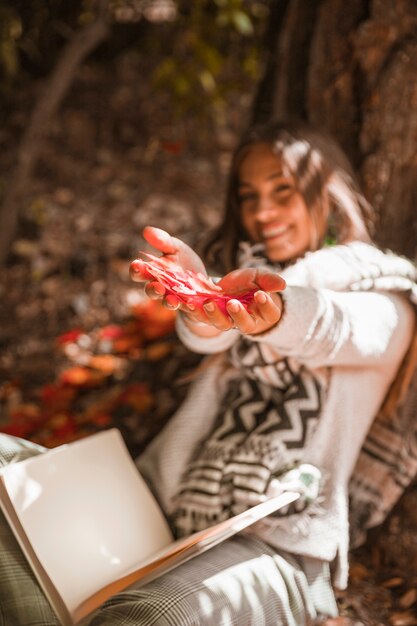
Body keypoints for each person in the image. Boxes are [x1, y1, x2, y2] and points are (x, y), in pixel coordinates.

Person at [0, 120, 416, 626]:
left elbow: (332, 326)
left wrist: (275, 311)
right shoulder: (238, 283)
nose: (263, 213)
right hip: (155, 517)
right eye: (248, 197)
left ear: (326, 195)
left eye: (282, 192)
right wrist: (204, 299)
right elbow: (208, 333)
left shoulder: (387, 299)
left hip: (274, 551)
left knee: (147, 619)